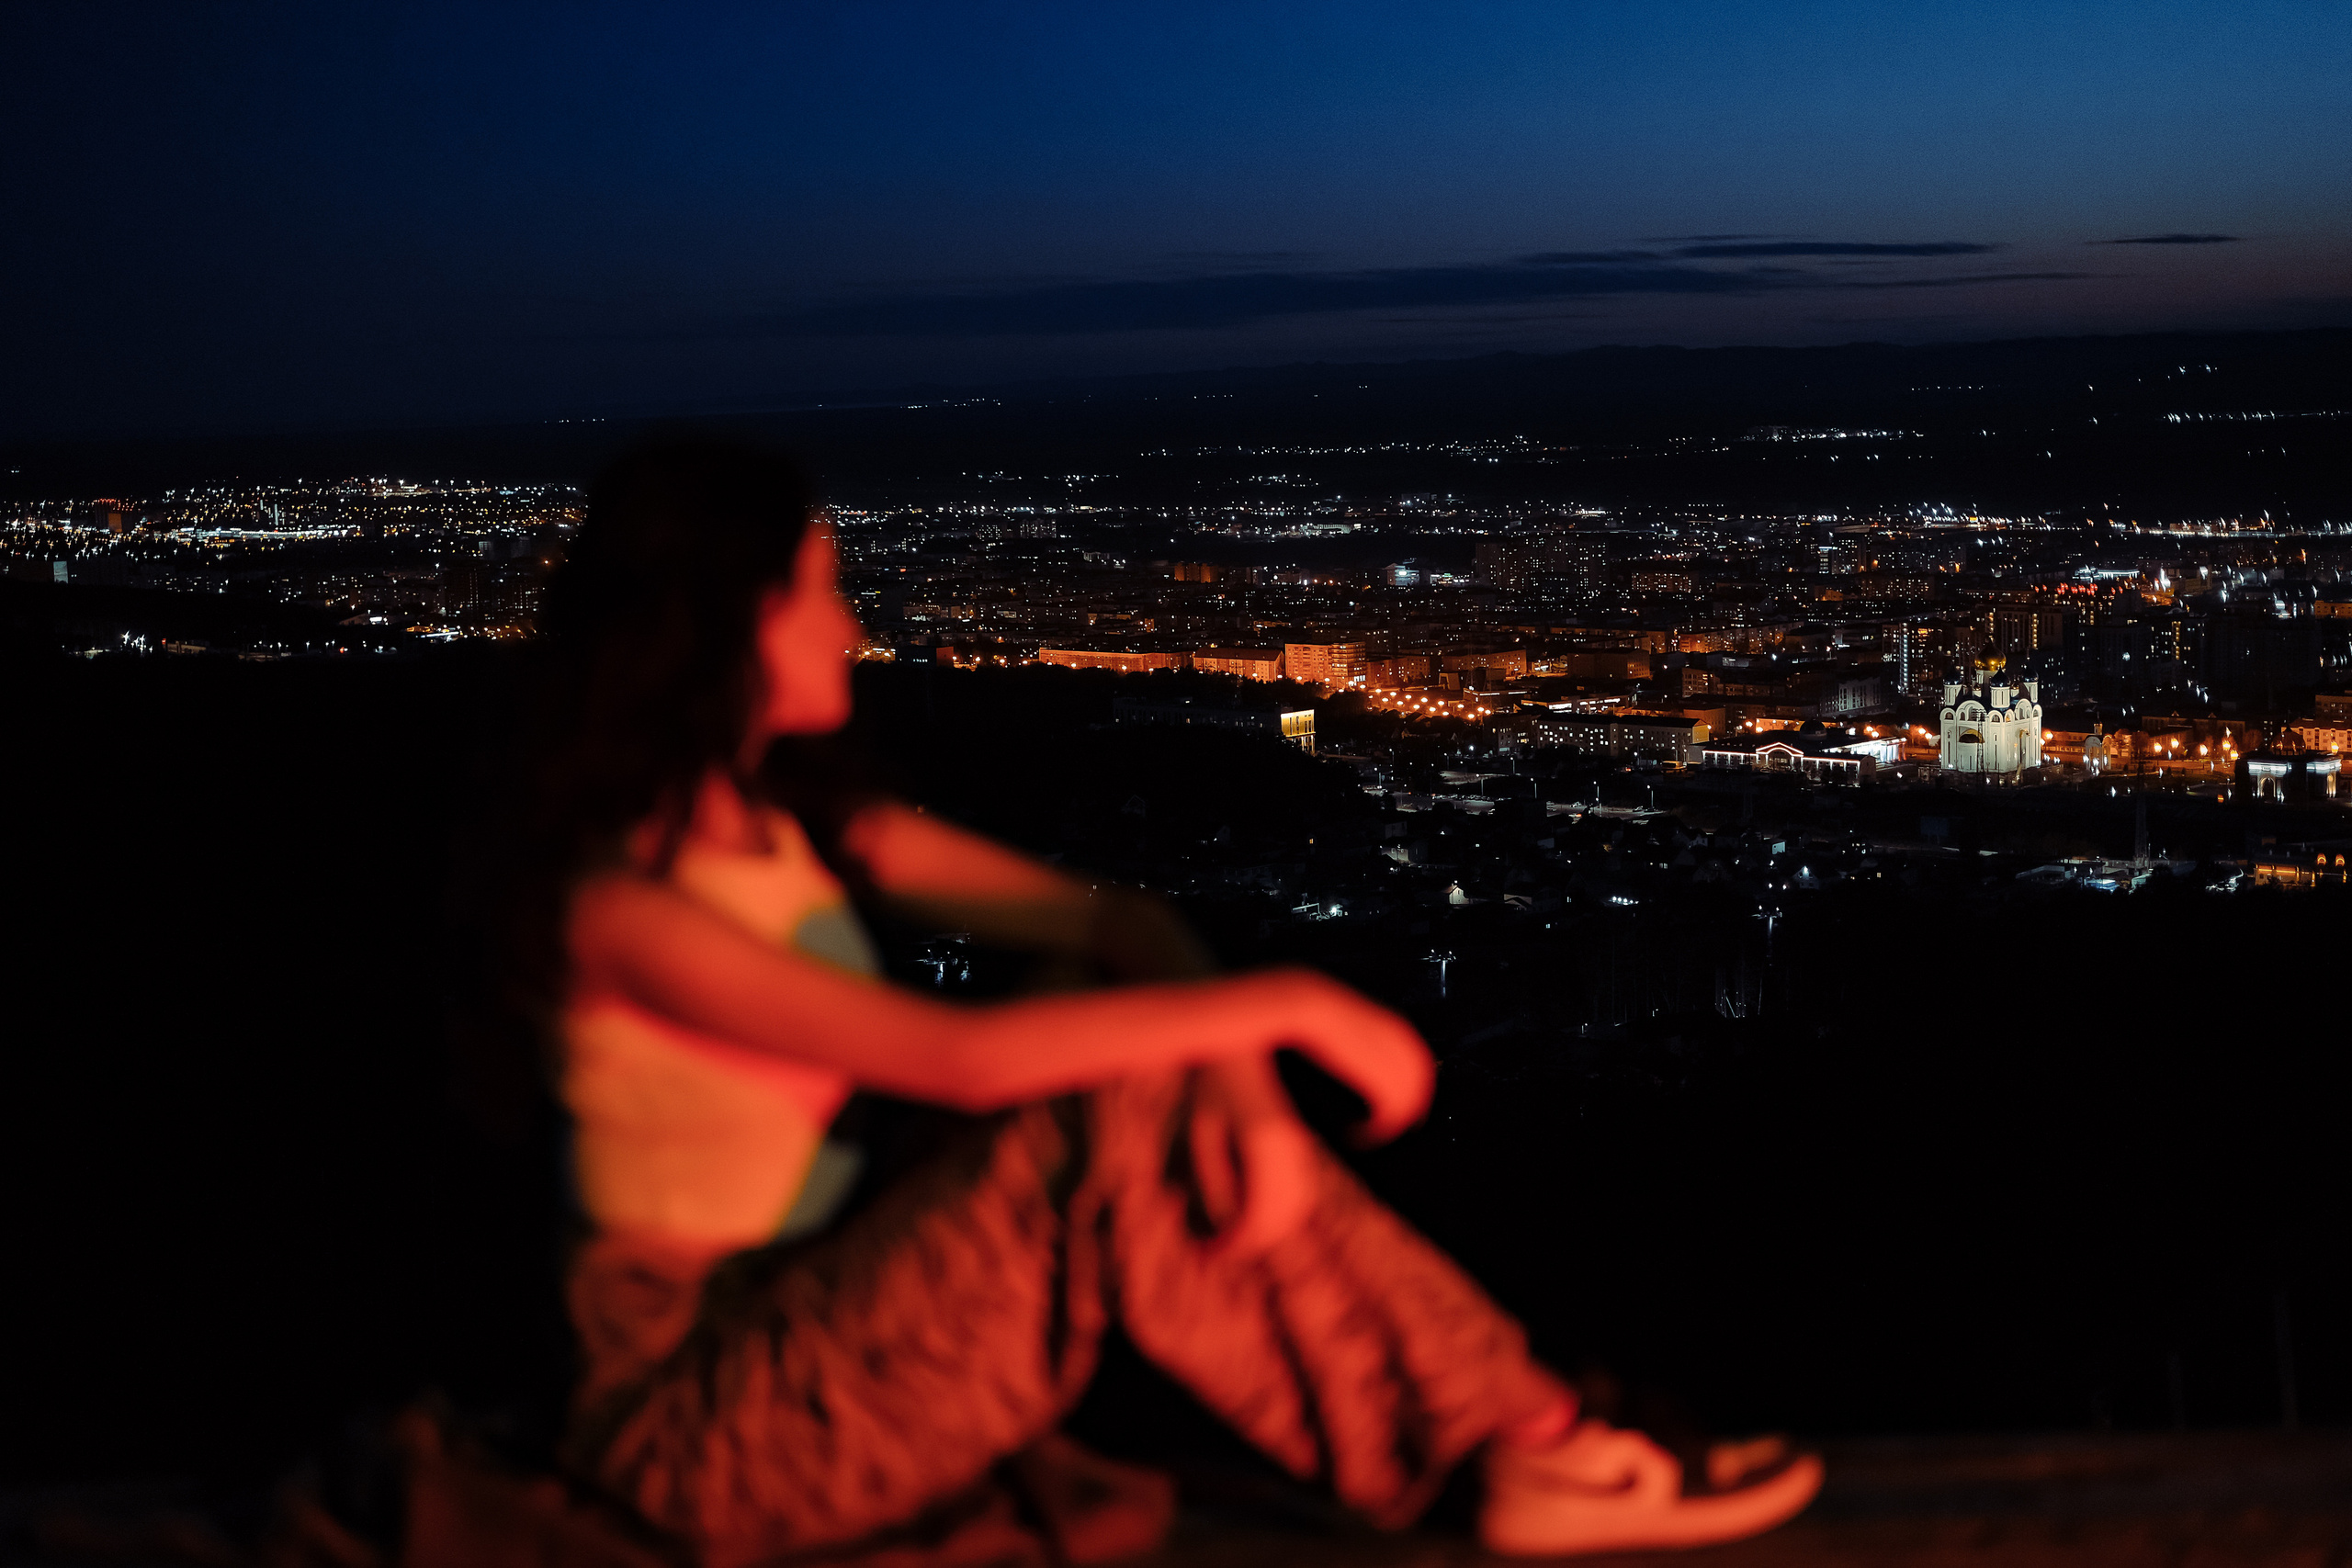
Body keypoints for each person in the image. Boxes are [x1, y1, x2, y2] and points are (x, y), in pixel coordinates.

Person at [514, 438, 1819, 1564]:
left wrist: (1241, 1095)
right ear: (728, 618)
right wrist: (1287, 1008)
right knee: (1114, 1081)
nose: (850, 627)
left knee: (1124, 1029)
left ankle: (1524, 1442)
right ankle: (1534, 1438)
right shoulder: (618, 908)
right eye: (820, 590)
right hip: (698, 1428)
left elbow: (1117, 923)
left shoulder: (798, 826)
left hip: (815, 1325)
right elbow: (967, 1063)